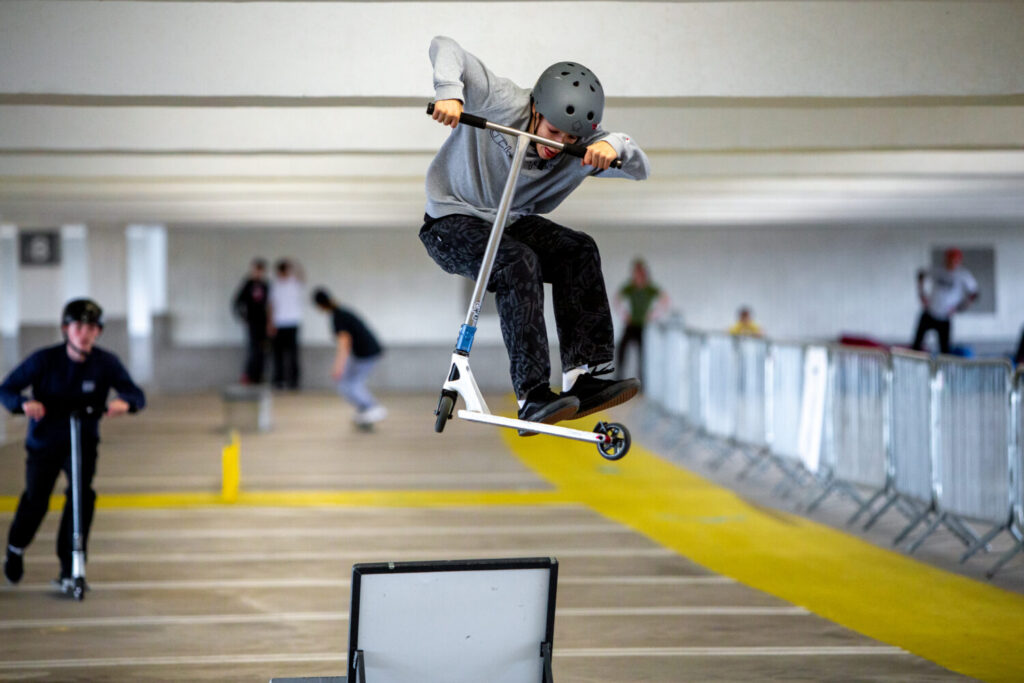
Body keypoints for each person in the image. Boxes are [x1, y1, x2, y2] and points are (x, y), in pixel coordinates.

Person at [421, 36, 651, 431]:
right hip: (450, 220)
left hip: (509, 221)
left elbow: (639, 166)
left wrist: (612, 145)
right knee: (517, 262)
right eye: (553, 131)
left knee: (577, 250)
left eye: (569, 139)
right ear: (535, 108)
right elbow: (445, 46)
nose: (557, 145)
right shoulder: (500, 99)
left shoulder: (585, 147)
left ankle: (586, 374)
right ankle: (532, 395)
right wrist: (449, 93)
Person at [1, 299, 145, 593]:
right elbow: (7, 389)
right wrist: (24, 404)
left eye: (91, 328)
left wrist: (126, 403)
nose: (84, 333)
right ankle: (15, 548)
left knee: (82, 499)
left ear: (98, 332)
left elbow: (136, 394)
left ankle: (71, 568)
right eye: (78, 326)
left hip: (82, 442)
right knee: (36, 500)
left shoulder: (105, 363)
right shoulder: (45, 360)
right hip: (44, 443)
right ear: (67, 329)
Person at [312, 288, 388, 428]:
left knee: (351, 385)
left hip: (366, 353)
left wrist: (338, 367)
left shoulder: (338, 317)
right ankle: (365, 409)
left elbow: (344, 343)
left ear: (320, 305)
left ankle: (372, 407)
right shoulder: (341, 312)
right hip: (365, 352)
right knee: (349, 384)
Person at [911, 248, 979, 354]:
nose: (952, 263)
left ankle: (943, 369)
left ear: (959, 261)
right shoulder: (938, 270)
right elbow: (921, 274)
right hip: (930, 312)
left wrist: (960, 307)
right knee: (916, 344)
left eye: (955, 260)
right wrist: (922, 295)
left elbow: (974, 293)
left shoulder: (962, 275)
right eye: (950, 259)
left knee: (945, 349)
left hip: (945, 316)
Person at [614, 258, 668, 378]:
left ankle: (643, 382)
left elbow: (665, 299)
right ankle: (618, 377)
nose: (637, 275)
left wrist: (654, 314)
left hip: (643, 326)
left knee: (643, 355)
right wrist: (623, 313)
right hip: (631, 324)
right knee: (622, 348)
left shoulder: (649, 288)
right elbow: (617, 297)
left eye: (639, 272)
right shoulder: (630, 287)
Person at [268, 258, 305, 389]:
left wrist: (294, 263)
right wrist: (270, 323)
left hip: (293, 322)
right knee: (278, 354)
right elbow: (271, 305)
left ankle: (294, 382)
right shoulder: (275, 285)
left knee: (293, 354)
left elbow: (302, 275)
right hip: (279, 323)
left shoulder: (294, 282)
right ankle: (279, 380)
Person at [232, 257, 270, 384]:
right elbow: (237, 302)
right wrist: (243, 317)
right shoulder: (247, 284)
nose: (258, 273)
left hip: (263, 322)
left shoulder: (266, 285)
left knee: (263, 350)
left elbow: (271, 304)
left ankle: (258, 376)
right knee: (253, 349)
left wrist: (270, 322)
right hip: (252, 322)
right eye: (256, 270)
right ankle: (249, 375)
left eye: (260, 270)